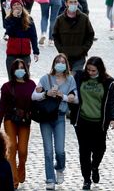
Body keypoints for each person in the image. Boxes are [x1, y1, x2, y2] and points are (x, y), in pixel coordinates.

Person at [31, 53, 78, 190]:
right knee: (48, 150)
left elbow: (75, 99)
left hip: (59, 117)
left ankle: (60, 167)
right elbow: (34, 95)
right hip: (45, 117)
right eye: (58, 61)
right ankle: (50, 179)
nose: (60, 64)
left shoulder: (70, 80)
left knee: (60, 150)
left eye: (63, 62)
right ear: (54, 64)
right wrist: (46, 94)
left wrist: (63, 96)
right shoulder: (46, 78)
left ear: (66, 65)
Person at [70, 56, 114, 190]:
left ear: (99, 69)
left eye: (93, 70)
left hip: (99, 123)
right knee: (84, 151)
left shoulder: (107, 82)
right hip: (82, 121)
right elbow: (71, 90)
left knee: (100, 149)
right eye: (88, 69)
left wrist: (113, 118)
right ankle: (86, 179)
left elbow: (111, 102)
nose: (90, 72)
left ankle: (95, 166)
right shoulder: (79, 77)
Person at [0, 59, 36, 189]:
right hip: (10, 119)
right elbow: (2, 106)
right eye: (17, 68)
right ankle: (13, 180)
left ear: (26, 69)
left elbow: (36, 103)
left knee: (22, 150)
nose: (20, 70)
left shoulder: (31, 85)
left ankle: (21, 167)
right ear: (13, 71)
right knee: (11, 149)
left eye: (22, 67)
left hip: (25, 121)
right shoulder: (7, 86)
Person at [53, 0, 95, 73]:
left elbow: (90, 35)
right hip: (65, 56)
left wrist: (84, 49)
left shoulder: (84, 18)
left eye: (75, 2)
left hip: (79, 56)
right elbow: (55, 36)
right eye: (71, 2)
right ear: (66, 4)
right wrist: (60, 49)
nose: (73, 4)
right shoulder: (60, 19)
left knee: (76, 77)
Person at [4, 0, 39, 78]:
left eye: (18, 4)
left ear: (22, 6)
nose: (17, 6)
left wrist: (36, 51)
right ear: (12, 7)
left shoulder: (29, 19)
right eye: (14, 5)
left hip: (25, 54)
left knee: (24, 77)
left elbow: (33, 36)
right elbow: (9, 32)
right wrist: (15, 19)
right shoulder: (8, 19)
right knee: (12, 77)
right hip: (12, 54)